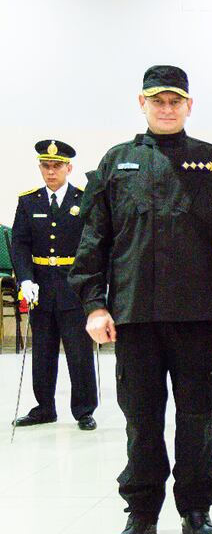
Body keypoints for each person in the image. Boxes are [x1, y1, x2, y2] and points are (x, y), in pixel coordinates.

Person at [69, 65, 212, 534]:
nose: (167, 107)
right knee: (141, 418)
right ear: (142, 103)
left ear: (189, 105)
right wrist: (94, 304)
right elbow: (93, 242)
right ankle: (141, 511)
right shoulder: (118, 162)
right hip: (134, 316)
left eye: (175, 100)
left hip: (199, 316)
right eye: (158, 99)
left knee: (197, 417)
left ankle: (197, 510)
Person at [11, 139, 98, 431]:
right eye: (46, 166)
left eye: (57, 166)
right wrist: (24, 278)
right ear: (40, 167)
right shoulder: (28, 201)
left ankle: (84, 410)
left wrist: (91, 284)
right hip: (40, 287)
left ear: (68, 167)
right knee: (43, 351)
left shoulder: (83, 199)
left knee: (78, 352)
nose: (51, 172)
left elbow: (92, 244)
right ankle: (44, 407)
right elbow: (20, 243)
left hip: (72, 286)